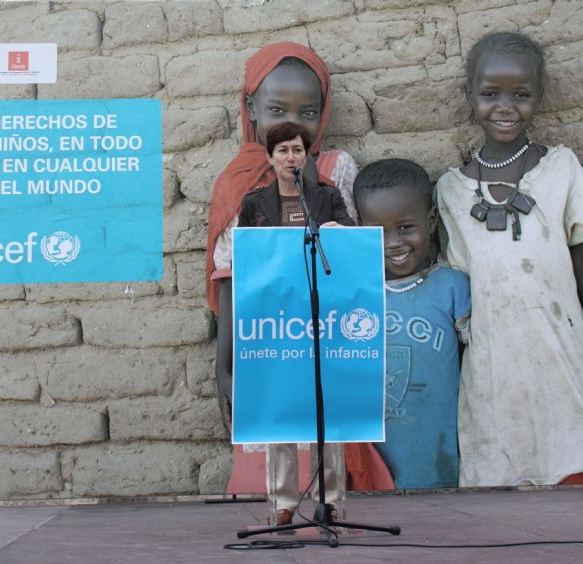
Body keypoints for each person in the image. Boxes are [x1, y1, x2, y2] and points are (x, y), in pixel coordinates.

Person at [435, 31, 583, 487]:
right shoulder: (452, 190)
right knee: (497, 473)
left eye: (521, 95)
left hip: (561, 347)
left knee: (569, 461)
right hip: (493, 361)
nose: (505, 107)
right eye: (490, 94)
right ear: (469, 95)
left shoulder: (562, 168)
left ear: (537, 97)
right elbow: (457, 285)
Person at [205, 42, 358, 433]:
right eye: (277, 110)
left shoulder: (335, 170)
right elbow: (230, 279)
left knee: (327, 453)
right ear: (252, 108)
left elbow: (354, 263)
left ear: (322, 113)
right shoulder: (237, 184)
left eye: (307, 113)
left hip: (332, 342)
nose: (293, 123)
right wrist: (225, 369)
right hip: (265, 346)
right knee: (273, 460)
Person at [237, 121, 355, 524]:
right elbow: (246, 261)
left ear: (307, 156)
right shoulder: (254, 205)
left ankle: (331, 500)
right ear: (270, 157)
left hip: (323, 321)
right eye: (283, 150)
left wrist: (340, 233)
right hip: (277, 323)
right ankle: (284, 503)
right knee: (281, 409)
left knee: (326, 409)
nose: (291, 157)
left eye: (298, 150)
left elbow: (353, 248)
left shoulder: (326, 197)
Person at [352, 159, 470, 488]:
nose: (393, 242)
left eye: (405, 227)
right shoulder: (355, 293)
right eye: (378, 231)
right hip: (373, 450)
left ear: (431, 220)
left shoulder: (451, 286)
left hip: (436, 449)